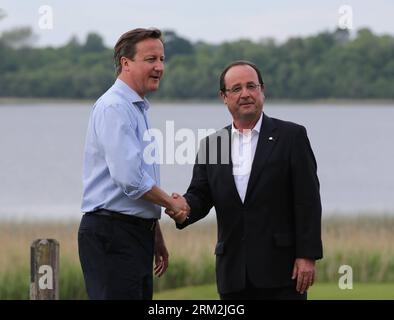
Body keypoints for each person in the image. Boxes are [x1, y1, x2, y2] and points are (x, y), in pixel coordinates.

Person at [167, 60, 323, 300]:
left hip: (283, 272)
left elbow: (308, 201)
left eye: (251, 86)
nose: (246, 94)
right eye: (236, 88)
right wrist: (183, 208)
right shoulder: (212, 144)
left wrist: (307, 256)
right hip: (233, 274)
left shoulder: (292, 136)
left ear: (262, 90)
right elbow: (200, 195)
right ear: (224, 97)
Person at [78, 28, 189, 300]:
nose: (160, 67)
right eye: (151, 59)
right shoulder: (114, 107)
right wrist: (172, 204)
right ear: (125, 63)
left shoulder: (136, 108)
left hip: (133, 234)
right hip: (112, 234)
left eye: (162, 59)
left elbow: (139, 180)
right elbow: (130, 179)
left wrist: (154, 230)